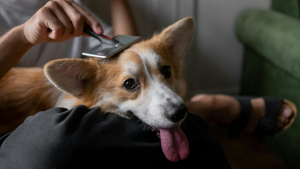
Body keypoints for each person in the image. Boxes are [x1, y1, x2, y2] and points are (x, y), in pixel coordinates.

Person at [0, 0, 296, 168]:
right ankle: (203, 110)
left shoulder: (71, 5)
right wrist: (23, 36)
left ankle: (200, 111)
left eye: (166, 71)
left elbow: (129, 50)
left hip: (98, 89)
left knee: (196, 147)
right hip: (52, 117)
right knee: (55, 144)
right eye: (132, 84)